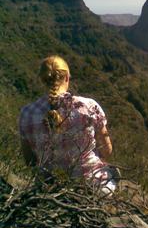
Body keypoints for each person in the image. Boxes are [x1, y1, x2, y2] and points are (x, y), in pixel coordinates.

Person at [19, 55, 118, 194]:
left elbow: (29, 161)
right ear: (67, 78)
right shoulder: (89, 106)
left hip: (48, 191)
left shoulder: (26, 113)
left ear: (42, 80)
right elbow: (107, 151)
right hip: (93, 187)